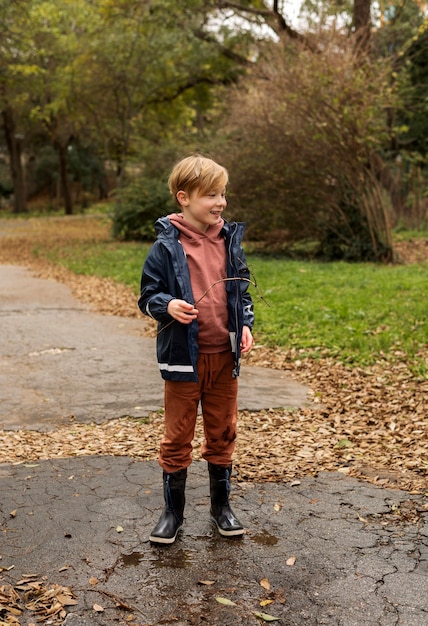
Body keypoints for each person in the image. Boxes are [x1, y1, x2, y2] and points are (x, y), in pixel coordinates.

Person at [138, 153, 254, 545]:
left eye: (223, 194)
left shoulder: (229, 241)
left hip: (224, 357)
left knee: (223, 431)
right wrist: (166, 305)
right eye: (211, 195)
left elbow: (242, 291)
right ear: (184, 197)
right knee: (178, 434)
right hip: (183, 358)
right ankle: (173, 513)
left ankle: (221, 507)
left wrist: (246, 325)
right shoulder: (165, 248)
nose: (220, 202)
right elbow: (148, 295)